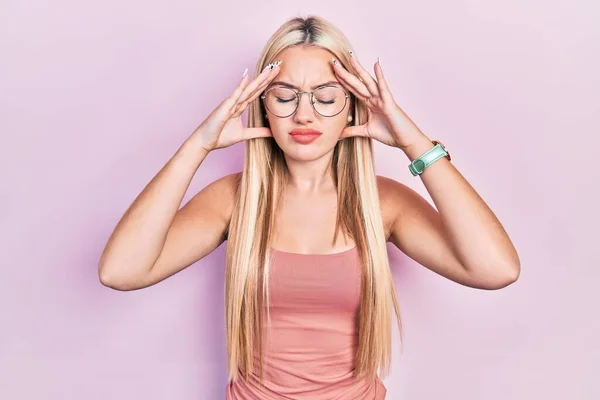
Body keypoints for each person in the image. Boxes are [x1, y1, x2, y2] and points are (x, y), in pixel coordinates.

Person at [98, 15, 520, 399]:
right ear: (262, 104)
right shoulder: (234, 200)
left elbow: (495, 269)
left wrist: (416, 143)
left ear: (352, 106)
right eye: (285, 95)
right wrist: (198, 145)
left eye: (325, 95)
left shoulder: (382, 204)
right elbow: (121, 271)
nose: (304, 114)